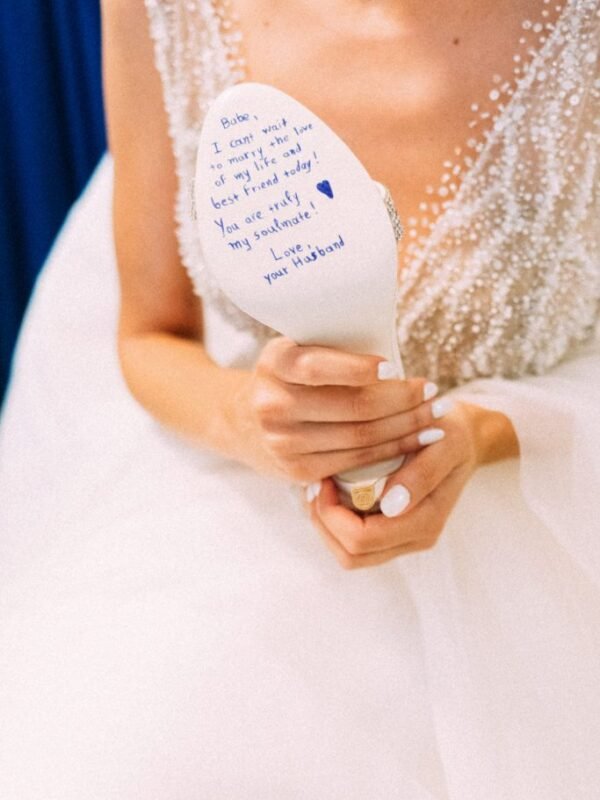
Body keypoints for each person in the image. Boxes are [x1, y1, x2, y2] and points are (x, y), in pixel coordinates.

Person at [0, 0, 599, 796]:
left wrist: (484, 434)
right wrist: (249, 418)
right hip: (247, 509)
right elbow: (149, 334)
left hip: (552, 486)